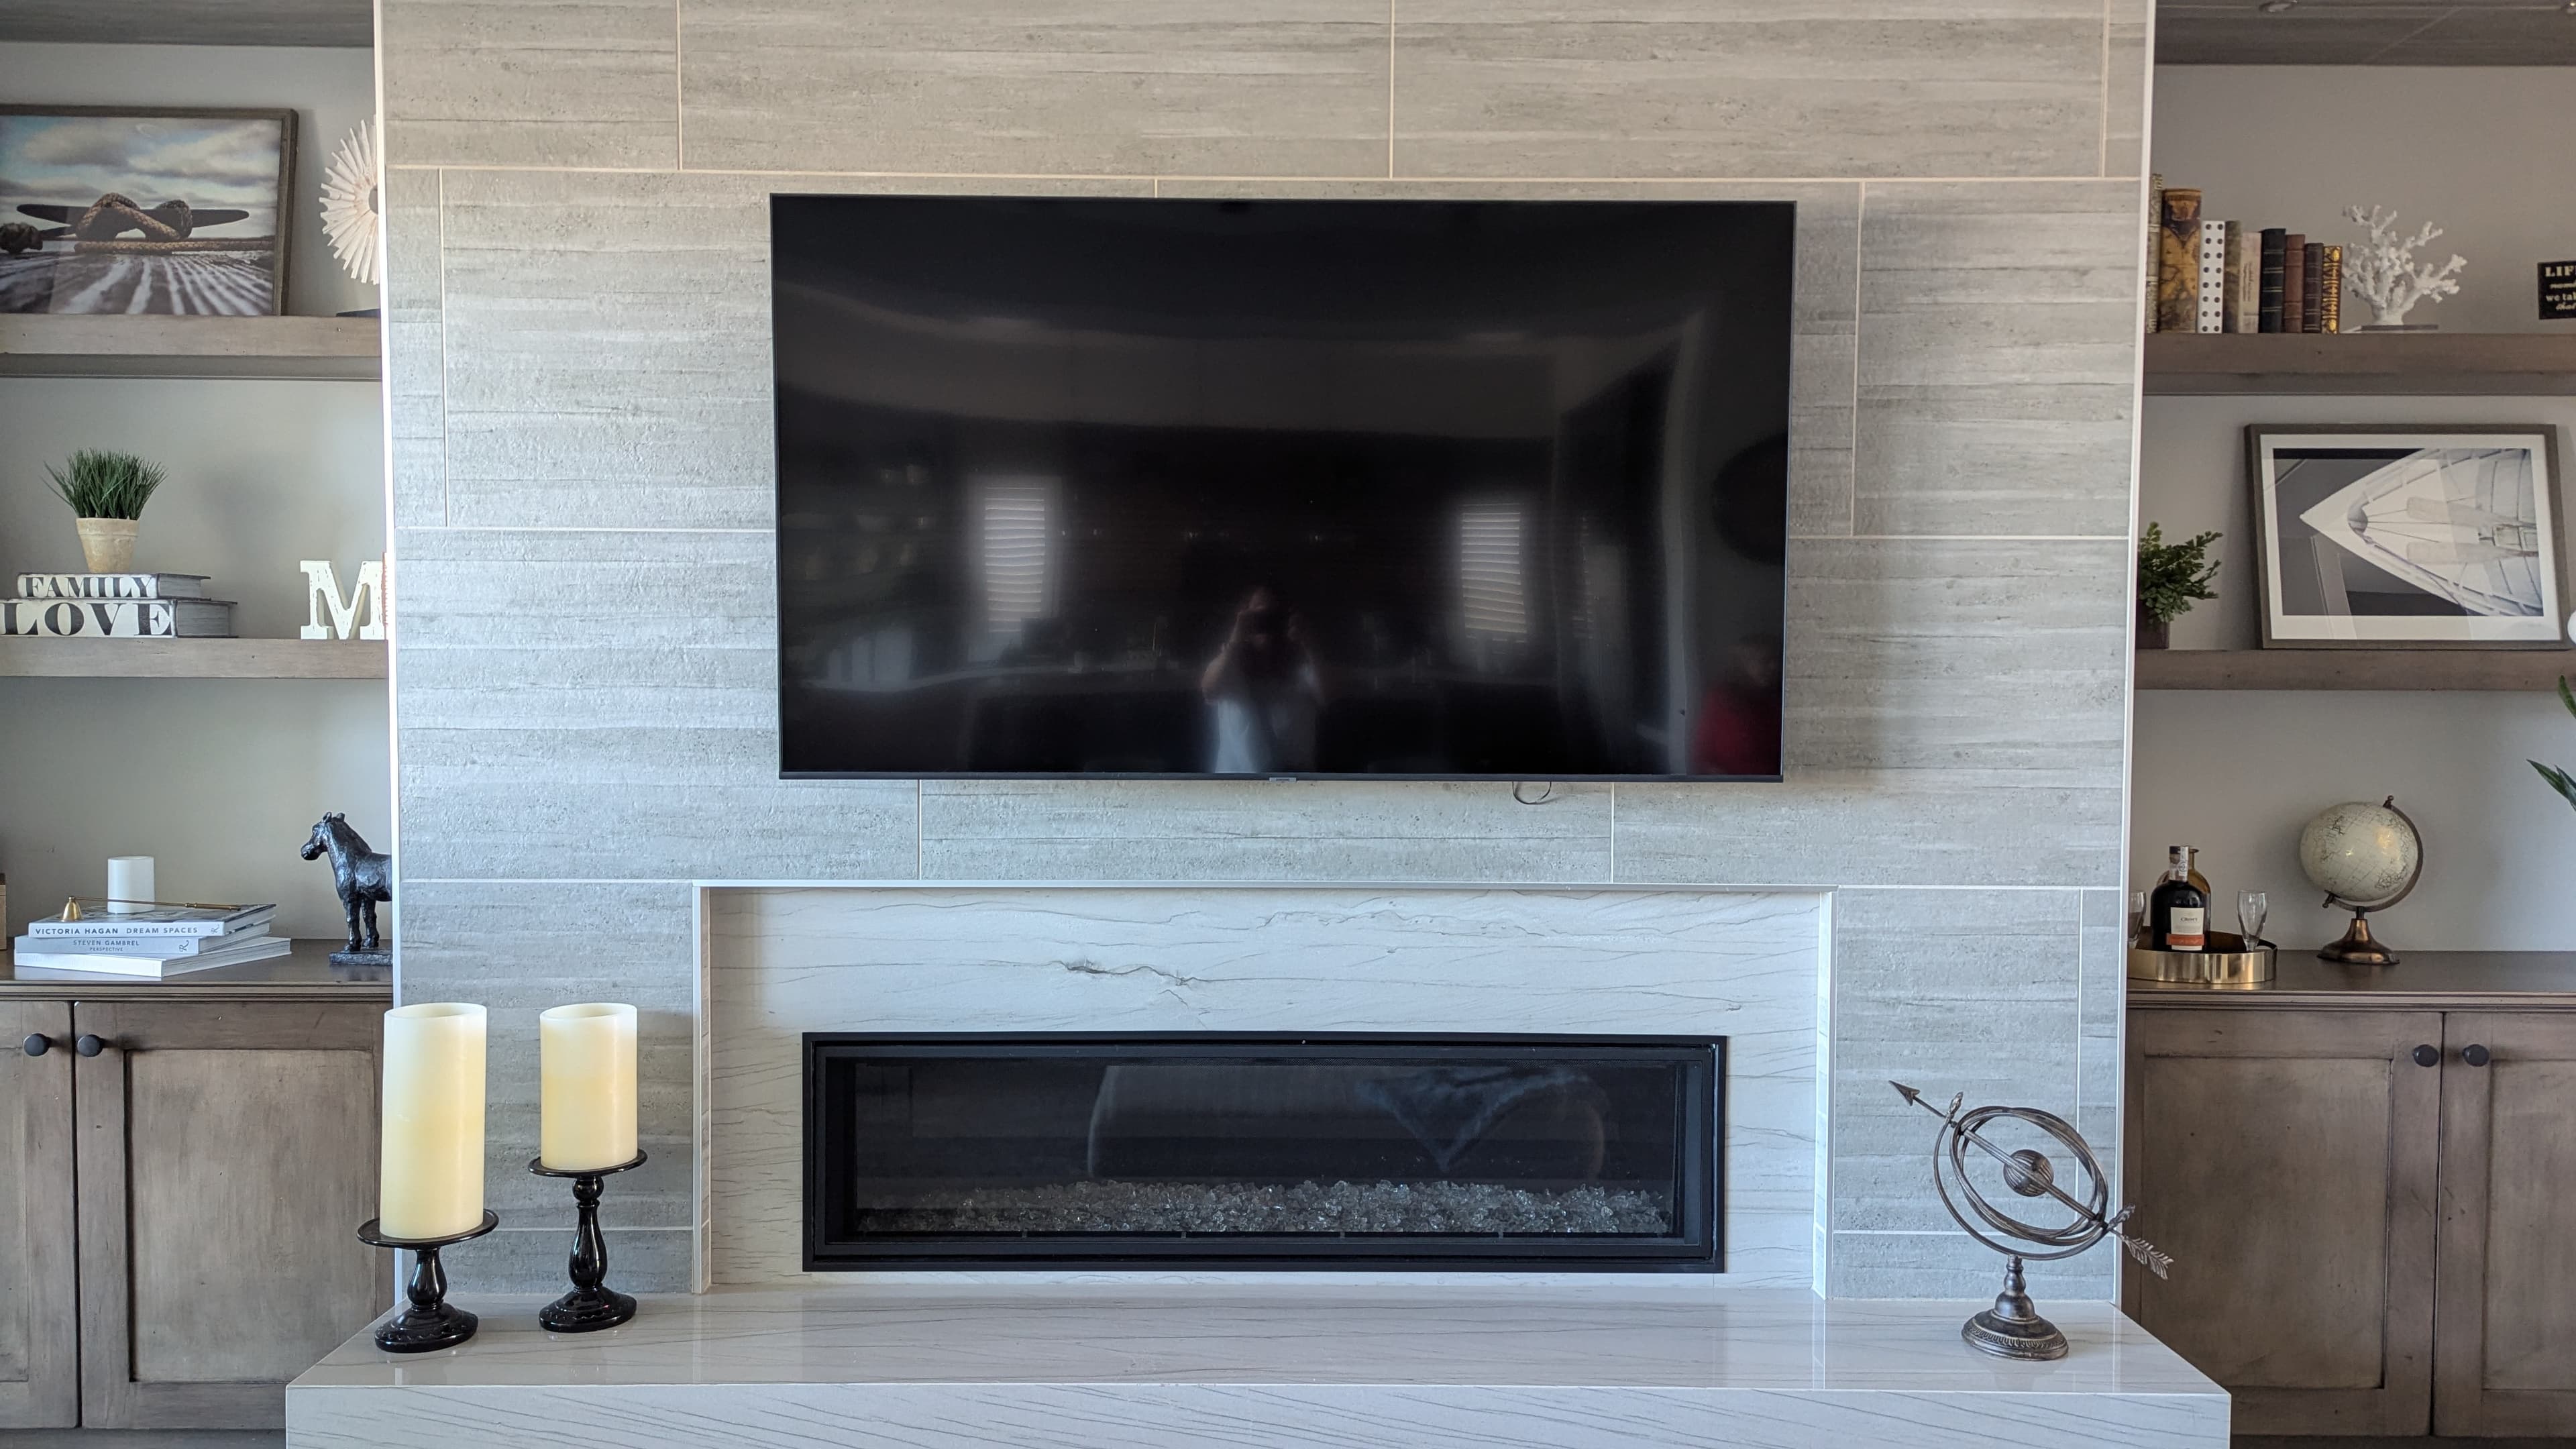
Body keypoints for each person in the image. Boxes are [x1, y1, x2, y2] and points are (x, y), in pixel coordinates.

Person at [1201, 588, 1326, 773]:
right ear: (1243, 619)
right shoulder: (1229, 664)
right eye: (1258, 615)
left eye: (1274, 616)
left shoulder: (1303, 668)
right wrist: (1236, 640)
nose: (1266, 623)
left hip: (1296, 787)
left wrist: (1308, 643)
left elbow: (1331, 697)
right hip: (1233, 788)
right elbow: (1210, 689)